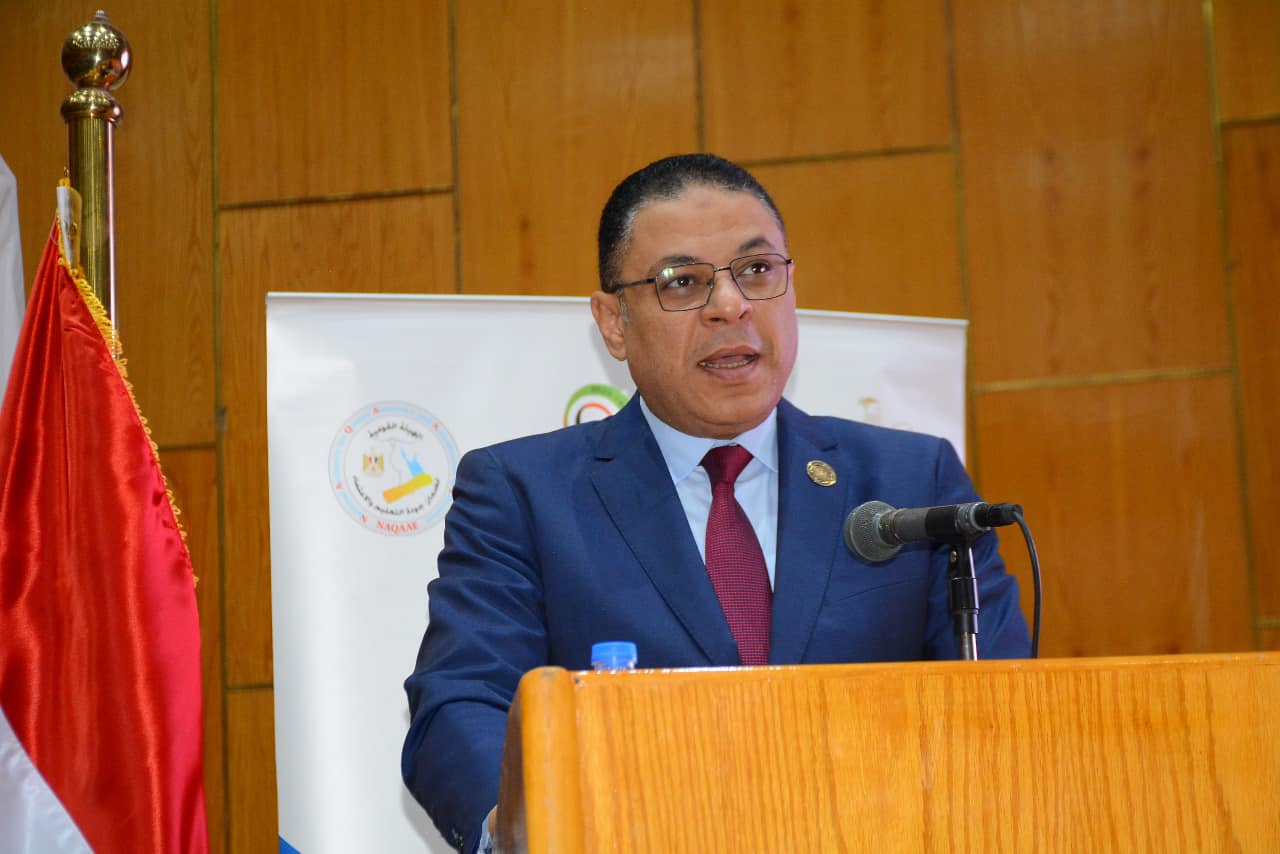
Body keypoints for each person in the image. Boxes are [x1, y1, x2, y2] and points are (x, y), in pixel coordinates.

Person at [402, 154, 1030, 852]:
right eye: (683, 282)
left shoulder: (914, 485)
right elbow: (462, 702)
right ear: (613, 322)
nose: (730, 305)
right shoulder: (523, 494)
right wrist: (523, 829)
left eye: (757, 270)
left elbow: (1005, 712)